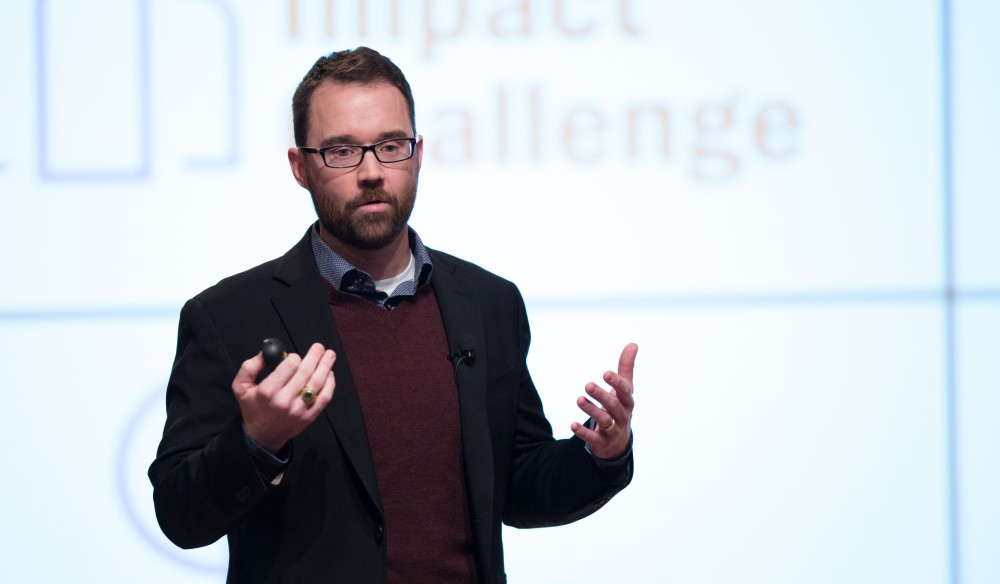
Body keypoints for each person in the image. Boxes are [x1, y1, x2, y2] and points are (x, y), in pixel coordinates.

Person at [148, 46, 637, 584]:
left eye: (390, 146)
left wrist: (601, 455)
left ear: (418, 153)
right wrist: (256, 443)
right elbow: (179, 515)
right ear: (300, 167)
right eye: (341, 152)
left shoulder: (489, 302)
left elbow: (516, 487)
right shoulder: (229, 316)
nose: (372, 172)